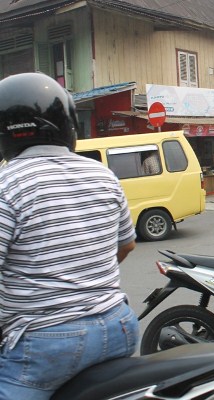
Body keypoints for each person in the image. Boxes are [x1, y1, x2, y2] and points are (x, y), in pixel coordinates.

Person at [0, 73, 139, 399]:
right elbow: (128, 244)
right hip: (119, 326)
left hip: (46, 344)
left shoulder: (8, 185)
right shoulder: (103, 175)